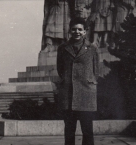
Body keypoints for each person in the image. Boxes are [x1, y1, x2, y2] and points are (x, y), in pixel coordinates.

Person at [57, 17, 99, 145]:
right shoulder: (63, 48)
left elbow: (96, 70)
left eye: (80, 29)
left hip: (86, 94)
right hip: (68, 95)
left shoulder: (92, 48)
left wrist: (88, 82)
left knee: (87, 131)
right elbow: (60, 69)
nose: (77, 32)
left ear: (85, 31)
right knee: (69, 130)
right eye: (74, 29)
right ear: (70, 31)